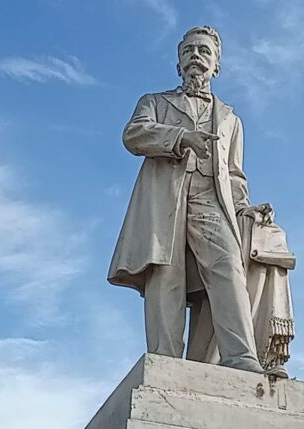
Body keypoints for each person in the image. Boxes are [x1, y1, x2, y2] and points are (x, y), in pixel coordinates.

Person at [109, 25, 271, 374]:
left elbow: (234, 173)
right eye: (189, 51)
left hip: (211, 201)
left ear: (217, 66)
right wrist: (182, 137)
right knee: (166, 279)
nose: (196, 56)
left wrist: (246, 208)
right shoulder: (154, 102)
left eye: (204, 51)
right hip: (164, 201)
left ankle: (241, 358)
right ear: (178, 63)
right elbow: (133, 135)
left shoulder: (230, 118)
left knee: (228, 268)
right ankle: (166, 364)